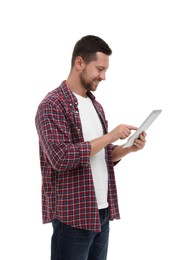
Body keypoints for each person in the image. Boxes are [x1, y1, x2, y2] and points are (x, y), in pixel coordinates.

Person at [35, 35, 146, 260]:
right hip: (72, 218)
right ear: (79, 63)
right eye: (100, 69)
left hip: (101, 213)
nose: (103, 77)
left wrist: (127, 148)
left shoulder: (96, 106)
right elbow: (61, 157)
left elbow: (101, 154)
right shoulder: (52, 105)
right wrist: (110, 135)